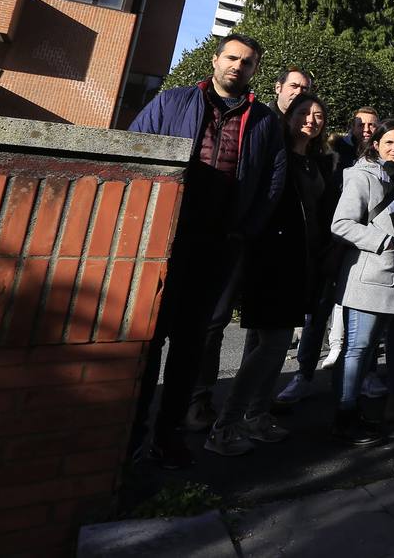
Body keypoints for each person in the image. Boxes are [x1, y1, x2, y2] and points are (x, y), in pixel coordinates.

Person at [127, 33, 286, 469]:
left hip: (220, 245)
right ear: (215, 60)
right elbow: (136, 148)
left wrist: (245, 231)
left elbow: (273, 182)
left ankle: (167, 434)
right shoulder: (174, 101)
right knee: (150, 338)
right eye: (232, 58)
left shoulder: (264, 121)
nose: (238, 66)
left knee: (191, 345)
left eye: (248, 62)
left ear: (255, 70)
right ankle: (131, 433)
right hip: (166, 240)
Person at [207, 93, 332, 456]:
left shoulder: (317, 163)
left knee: (271, 347)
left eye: (318, 115)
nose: (311, 119)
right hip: (271, 258)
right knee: (272, 344)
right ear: (289, 116)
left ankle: (256, 416)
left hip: (301, 262)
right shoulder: (274, 153)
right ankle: (226, 424)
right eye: (304, 113)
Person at [329, 120, 394, 445]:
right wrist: (380, 241)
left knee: (367, 352)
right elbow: (340, 224)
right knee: (357, 349)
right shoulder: (361, 176)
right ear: (377, 143)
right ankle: (344, 416)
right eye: (390, 142)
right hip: (367, 277)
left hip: (392, 278)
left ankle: (352, 411)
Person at [287, 106, 378, 394]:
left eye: (372, 125)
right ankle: (304, 374)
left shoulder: (382, 158)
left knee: (364, 313)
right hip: (329, 242)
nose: (366, 128)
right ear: (350, 125)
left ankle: (364, 374)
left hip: (363, 245)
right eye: (360, 123)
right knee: (318, 310)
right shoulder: (330, 154)